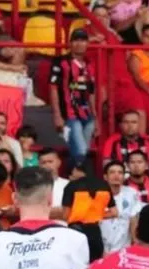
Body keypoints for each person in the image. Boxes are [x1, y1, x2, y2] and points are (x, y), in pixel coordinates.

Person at [49, 28, 98, 166]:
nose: (79, 44)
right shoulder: (60, 62)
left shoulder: (89, 65)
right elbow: (53, 88)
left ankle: (73, 177)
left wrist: (95, 117)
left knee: (81, 151)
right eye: (76, 40)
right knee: (81, 150)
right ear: (70, 43)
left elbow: (91, 93)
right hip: (69, 115)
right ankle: (79, 180)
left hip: (87, 115)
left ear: (87, 43)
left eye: (82, 40)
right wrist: (57, 115)